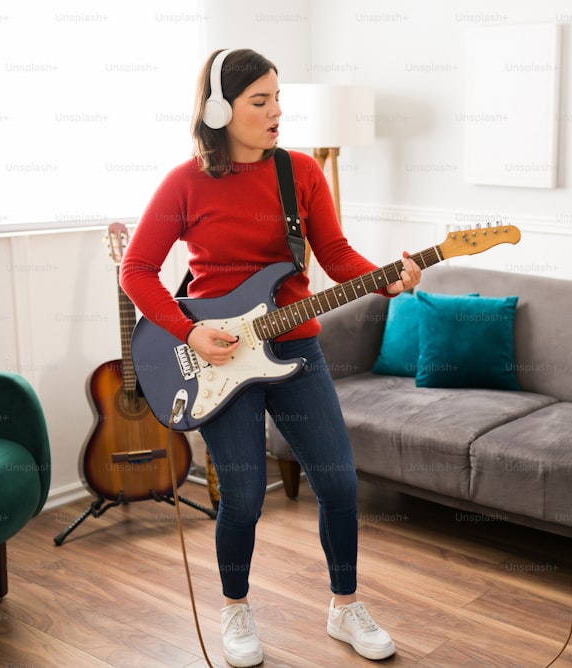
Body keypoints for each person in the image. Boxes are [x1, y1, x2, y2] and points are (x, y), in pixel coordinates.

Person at [120, 47, 421, 666]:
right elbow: (138, 270)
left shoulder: (300, 173)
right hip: (218, 359)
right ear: (219, 109)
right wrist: (188, 331)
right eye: (260, 101)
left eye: (278, 98)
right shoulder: (184, 182)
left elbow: (335, 253)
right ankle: (235, 611)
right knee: (245, 497)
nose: (276, 111)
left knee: (338, 483)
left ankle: (345, 607)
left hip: (297, 350)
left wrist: (385, 277)